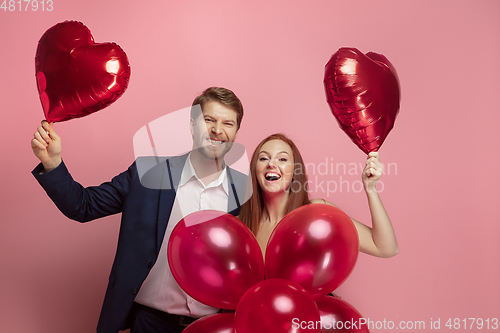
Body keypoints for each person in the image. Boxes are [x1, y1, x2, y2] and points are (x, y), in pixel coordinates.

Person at [31, 87, 248, 333]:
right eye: (208, 119)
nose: (217, 130)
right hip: (149, 323)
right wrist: (52, 163)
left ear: (236, 132)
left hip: (213, 326)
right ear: (192, 125)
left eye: (227, 123)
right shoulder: (147, 174)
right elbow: (83, 206)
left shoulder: (245, 191)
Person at [238, 133, 398, 258]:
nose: (271, 164)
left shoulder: (318, 213)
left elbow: (386, 248)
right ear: (255, 170)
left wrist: (370, 188)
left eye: (282, 159)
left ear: (295, 171)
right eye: (264, 158)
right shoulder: (241, 226)